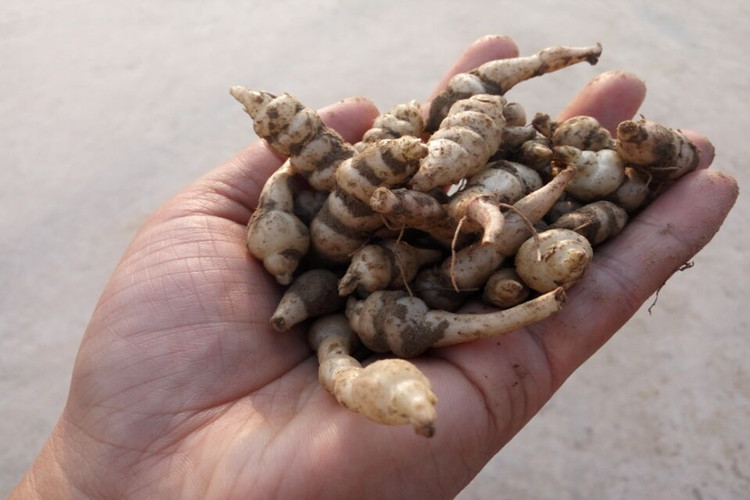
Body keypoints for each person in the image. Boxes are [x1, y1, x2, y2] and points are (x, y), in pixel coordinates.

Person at [11, 35, 737, 499]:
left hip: (426, 274)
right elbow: (395, 255)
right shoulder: (334, 260)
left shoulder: (491, 181)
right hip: (377, 306)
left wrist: (500, 218)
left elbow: (474, 198)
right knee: (396, 318)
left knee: (489, 228)